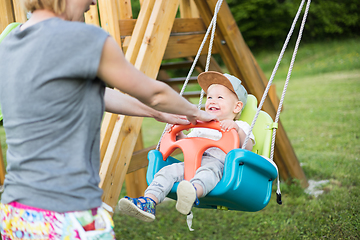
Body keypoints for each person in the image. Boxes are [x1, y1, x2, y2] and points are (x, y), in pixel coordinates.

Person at [0, 0, 217, 239]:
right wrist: (195, 112)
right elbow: (155, 94)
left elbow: (95, 92)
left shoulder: (10, 42)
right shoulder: (83, 38)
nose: (93, 2)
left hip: (16, 213)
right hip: (68, 212)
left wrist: (156, 113)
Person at [118, 71, 255, 222]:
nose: (212, 101)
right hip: (190, 165)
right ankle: (149, 202)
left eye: (219, 97)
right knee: (166, 171)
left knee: (207, 172)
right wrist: (179, 136)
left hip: (220, 167)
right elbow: (188, 143)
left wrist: (236, 129)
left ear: (237, 107)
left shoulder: (241, 126)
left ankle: (193, 192)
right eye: (209, 97)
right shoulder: (201, 125)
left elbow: (246, 147)